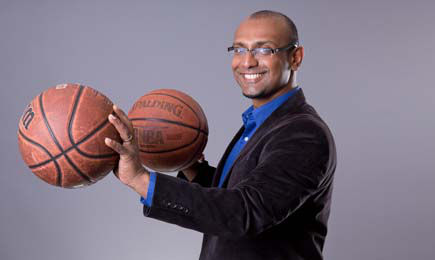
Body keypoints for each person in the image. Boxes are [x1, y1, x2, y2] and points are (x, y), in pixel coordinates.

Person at [105, 10, 337, 260]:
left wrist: (140, 179)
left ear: (296, 57)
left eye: (264, 49)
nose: (247, 62)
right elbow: (236, 196)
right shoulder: (262, 123)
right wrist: (192, 167)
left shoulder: (304, 133)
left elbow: (246, 212)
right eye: (238, 49)